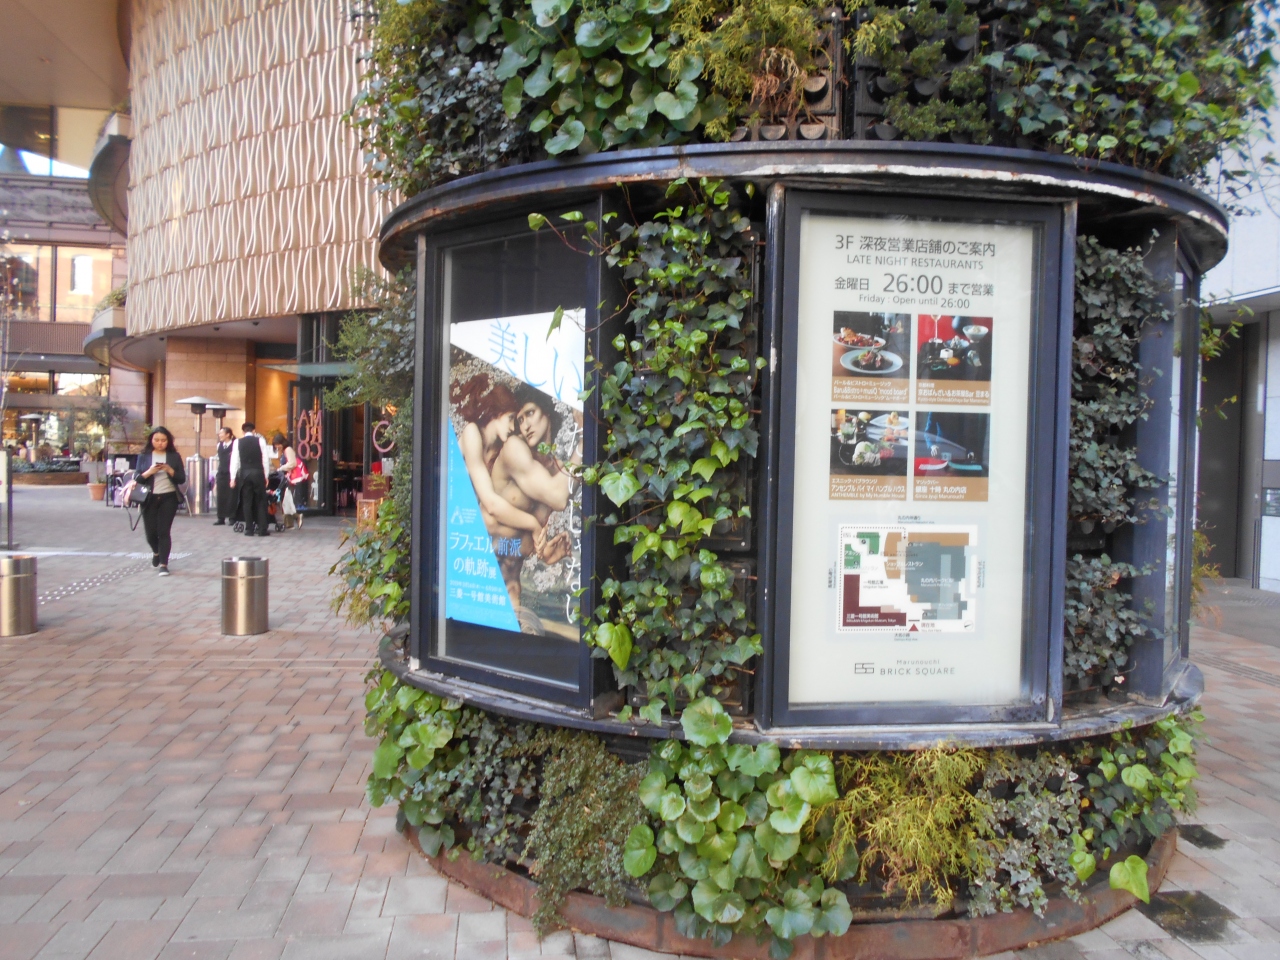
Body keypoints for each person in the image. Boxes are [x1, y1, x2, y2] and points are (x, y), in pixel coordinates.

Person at [135, 427, 186, 576]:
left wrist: (169, 470)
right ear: (151, 440)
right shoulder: (144, 456)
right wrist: (150, 471)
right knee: (151, 533)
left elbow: (181, 478)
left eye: (163, 440)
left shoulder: (174, 456)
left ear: (168, 441)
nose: (160, 443)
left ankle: (164, 564)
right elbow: (137, 478)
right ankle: (156, 552)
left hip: (168, 497)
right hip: (149, 498)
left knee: (164, 531)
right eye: (156, 440)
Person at [230, 421, 273, 536]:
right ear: (254, 431)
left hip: (244, 474)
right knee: (261, 501)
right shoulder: (260, 441)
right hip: (258, 473)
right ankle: (262, 529)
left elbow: (234, 461)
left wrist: (232, 478)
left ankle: (249, 529)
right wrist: (266, 475)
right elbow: (265, 459)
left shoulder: (237, 442)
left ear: (243, 432)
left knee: (246, 502)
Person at [271, 433, 300, 529]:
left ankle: (291, 521)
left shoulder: (288, 450)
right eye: (275, 445)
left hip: (289, 478)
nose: (277, 446)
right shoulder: (284, 451)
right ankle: (294, 519)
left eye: (278, 444)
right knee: (286, 500)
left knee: (286, 499)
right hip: (286, 478)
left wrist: (281, 468)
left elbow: (293, 463)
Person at [213, 426, 237, 525]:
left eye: (221, 433)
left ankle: (232, 517)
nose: (219, 435)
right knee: (221, 496)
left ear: (228, 434)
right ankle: (221, 517)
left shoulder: (235, 445)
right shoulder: (219, 445)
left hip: (231, 473)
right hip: (221, 473)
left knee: (232, 495)